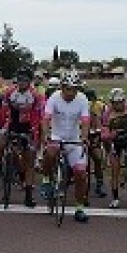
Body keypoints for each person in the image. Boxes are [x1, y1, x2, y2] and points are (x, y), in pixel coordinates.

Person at [41, 73, 91, 223]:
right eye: (68, 89)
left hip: (74, 139)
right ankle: (46, 179)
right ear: (62, 88)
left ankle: (79, 208)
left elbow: (85, 120)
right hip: (57, 136)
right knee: (50, 151)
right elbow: (46, 118)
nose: (71, 93)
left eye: (74, 89)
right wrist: (46, 135)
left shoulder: (82, 99)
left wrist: (84, 137)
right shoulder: (54, 98)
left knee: (81, 173)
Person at [0, 67, 43, 208]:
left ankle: (28, 194)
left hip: (28, 127)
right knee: (0, 145)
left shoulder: (35, 96)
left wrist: (34, 132)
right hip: (12, 125)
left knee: (29, 160)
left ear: (30, 81)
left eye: (25, 80)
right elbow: (3, 111)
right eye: (20, 80)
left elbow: (37, 116)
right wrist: (1, 126)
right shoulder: (10, 92)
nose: (22, 83)